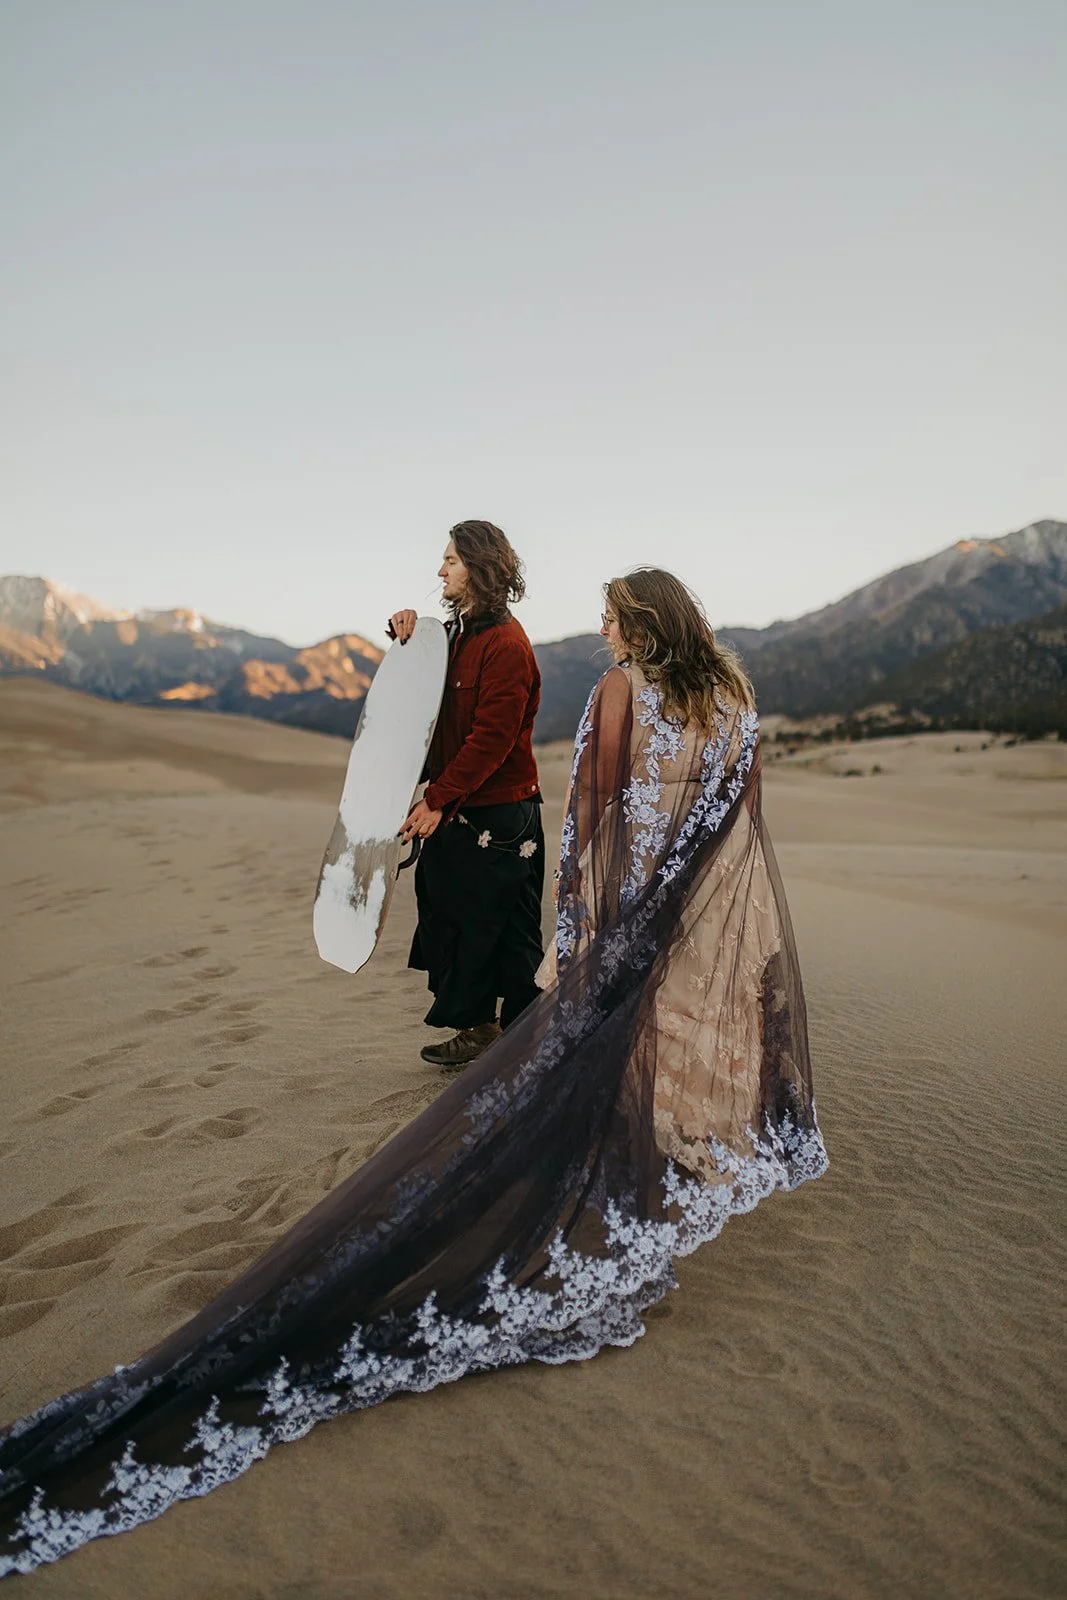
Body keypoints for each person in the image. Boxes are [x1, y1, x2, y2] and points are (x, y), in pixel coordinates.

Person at [0, 566, 827, 1578]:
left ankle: (605, 1200)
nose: (602, 628)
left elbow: (588, 830)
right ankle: (634, 1198)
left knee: (604, 1067)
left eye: (614, 614)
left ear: (643, 625)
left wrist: (574, 944)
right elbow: (732, 825)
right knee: (657, 1061)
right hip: (689, 925)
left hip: (624, 926)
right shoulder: (734, 704)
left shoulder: (619, 694)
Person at [389, 521, 544, 1067]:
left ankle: (527, 1043)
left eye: (451, 560)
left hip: (501, 815)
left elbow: (491, 741)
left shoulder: (505, 645)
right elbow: (428, 704)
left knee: (503, 928)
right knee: (454, 915)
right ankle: (480, 1030)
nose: (440, 570)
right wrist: (409, 636)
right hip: (465, 807)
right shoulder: (459, 635)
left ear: (479, 568)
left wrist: (437, 799)